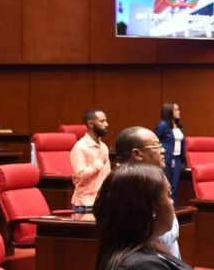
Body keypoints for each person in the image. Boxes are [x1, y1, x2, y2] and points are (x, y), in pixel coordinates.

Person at [115, 126, 180, 259]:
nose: (163, 150)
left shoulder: (149, 177)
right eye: (156, 146)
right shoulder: (129, 185)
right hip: (151, 267)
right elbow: (164, 237)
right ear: (137, 154)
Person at [69, 109, 111, 214]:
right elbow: (81, 174)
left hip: (103, 202)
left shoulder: (104, 146)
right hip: (85, 205)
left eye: (106, 121)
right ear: (91, 123)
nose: (106, 124)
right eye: (102, 121)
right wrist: (98, 165)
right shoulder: (80, 147)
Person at [154, 102, 185, 204]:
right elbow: (155, 140)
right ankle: (167, 207)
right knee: (167, 185)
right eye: (176, 110)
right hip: (166, 159)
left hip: (177, 159)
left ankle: (174, 207)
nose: (179, 112)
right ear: (169, 112)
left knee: (175, 185)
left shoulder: (178, 125)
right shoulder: (162, 125)